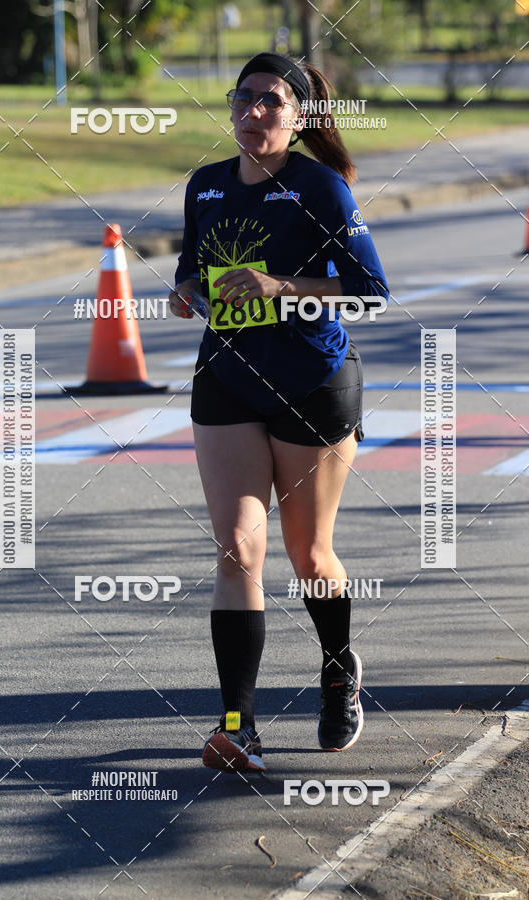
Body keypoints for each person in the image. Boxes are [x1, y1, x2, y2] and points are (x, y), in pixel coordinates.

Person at [168, 52, 389, 774]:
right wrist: (190, 294)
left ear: (299, 117)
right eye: (244, 97)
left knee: (309, 557)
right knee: (237, 549)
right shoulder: (205, 186)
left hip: (312, 383)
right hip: (227, 380)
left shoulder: (320, 188)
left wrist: (276, 284)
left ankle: (337, 670)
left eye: (271, 100)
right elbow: (192, 271)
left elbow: (369, 290)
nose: (253, 110)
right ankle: (239, 727)